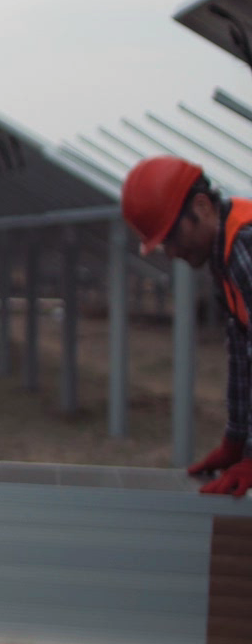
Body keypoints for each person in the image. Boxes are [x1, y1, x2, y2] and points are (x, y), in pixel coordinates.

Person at [122, 155, 252, 495]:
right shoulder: (226, 255)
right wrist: (237, 440)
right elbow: (242, 349)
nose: (170, 252)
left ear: (202, 207)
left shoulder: (245, 247)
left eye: (171, 236)